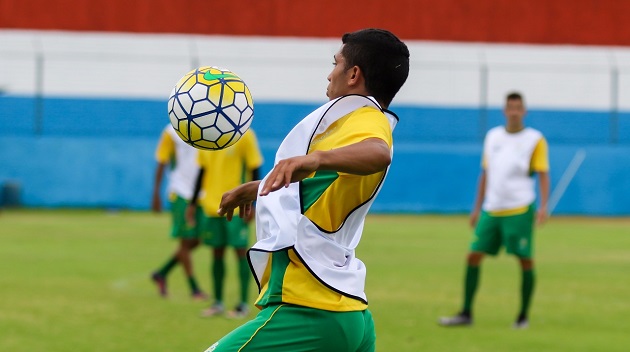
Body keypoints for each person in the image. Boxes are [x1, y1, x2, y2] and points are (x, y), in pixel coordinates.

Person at [202, 28, 409, 352]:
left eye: (335, 63)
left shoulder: (366, 118)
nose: (330, 74)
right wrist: (258, 189)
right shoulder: (346, 126)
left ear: (354, 74)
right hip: (349, 311)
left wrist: (314, 158)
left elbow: (378, 153)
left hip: (311, 306)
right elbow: (318, 187)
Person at [439, 92, 550, 329]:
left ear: (524, 111)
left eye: (518, 107)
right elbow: (486, 173)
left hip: (520, 208)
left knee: (525, 259)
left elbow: (543, 173)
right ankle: (466, 312)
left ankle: (522, 316)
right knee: (473, 255)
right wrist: (476, 208)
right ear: (504, 110)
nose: (514, 111)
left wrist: (544, 206)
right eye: (510, 107)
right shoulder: (493, 137)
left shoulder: (534, 139)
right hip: (492, 208)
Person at [187, 129, 263, 319]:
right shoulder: (204, 135)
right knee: (216, 252)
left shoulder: (245, 135)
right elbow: (201, 171)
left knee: (240, 251)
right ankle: (218, 303)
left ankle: (243, 305)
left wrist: (253, 204)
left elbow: (255, 168)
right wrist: (193, 203)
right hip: (212, 206)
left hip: (238, 207)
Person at [150, 124, 206, 300]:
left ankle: (161, 273)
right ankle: (194, 289)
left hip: (202, 194)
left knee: (199, 239)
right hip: (180, 192)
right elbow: (162, 161)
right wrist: (156, 193)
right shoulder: (170, 132)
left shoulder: (209, 125)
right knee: (185, 242)